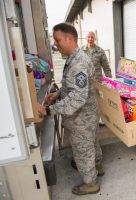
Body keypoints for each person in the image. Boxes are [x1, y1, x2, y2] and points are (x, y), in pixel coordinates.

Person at [38, 23, 102, 195]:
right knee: (90, 143)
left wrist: (50, 110)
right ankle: (96, 166)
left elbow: (78, 98)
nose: (56, 45)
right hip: (87, 114)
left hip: (82, 117)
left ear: (70, 39)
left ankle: (91, 183)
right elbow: (75, 88)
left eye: (58, 41)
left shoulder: (79, 62)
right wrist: (58, 93)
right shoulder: (75, 57)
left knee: (83, 149)